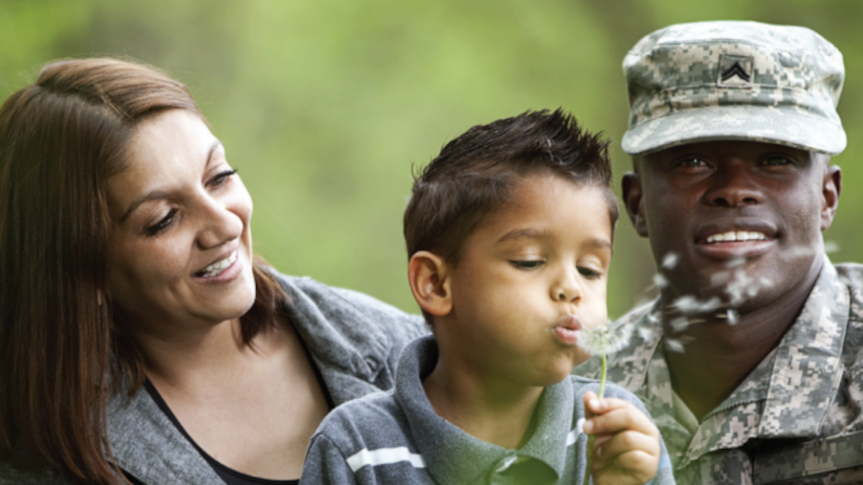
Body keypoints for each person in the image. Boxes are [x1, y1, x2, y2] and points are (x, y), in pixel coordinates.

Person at [0, 58, 426, 485]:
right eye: (164, 219)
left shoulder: (405, 349)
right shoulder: (39, 456)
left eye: (219, 177)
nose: (225, 224)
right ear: (81, 268)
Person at [300, 109, 675, 485]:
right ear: (435, 284)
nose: (572, 288)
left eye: (590, 269)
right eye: (529, 262)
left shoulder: (616, 434)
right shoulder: (357, 448)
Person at [575, 21, 863, 483]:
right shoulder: (578, 390)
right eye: (692, 162)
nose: (734, 191)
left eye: (775, 160)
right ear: (637, 204)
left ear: (827, 197)